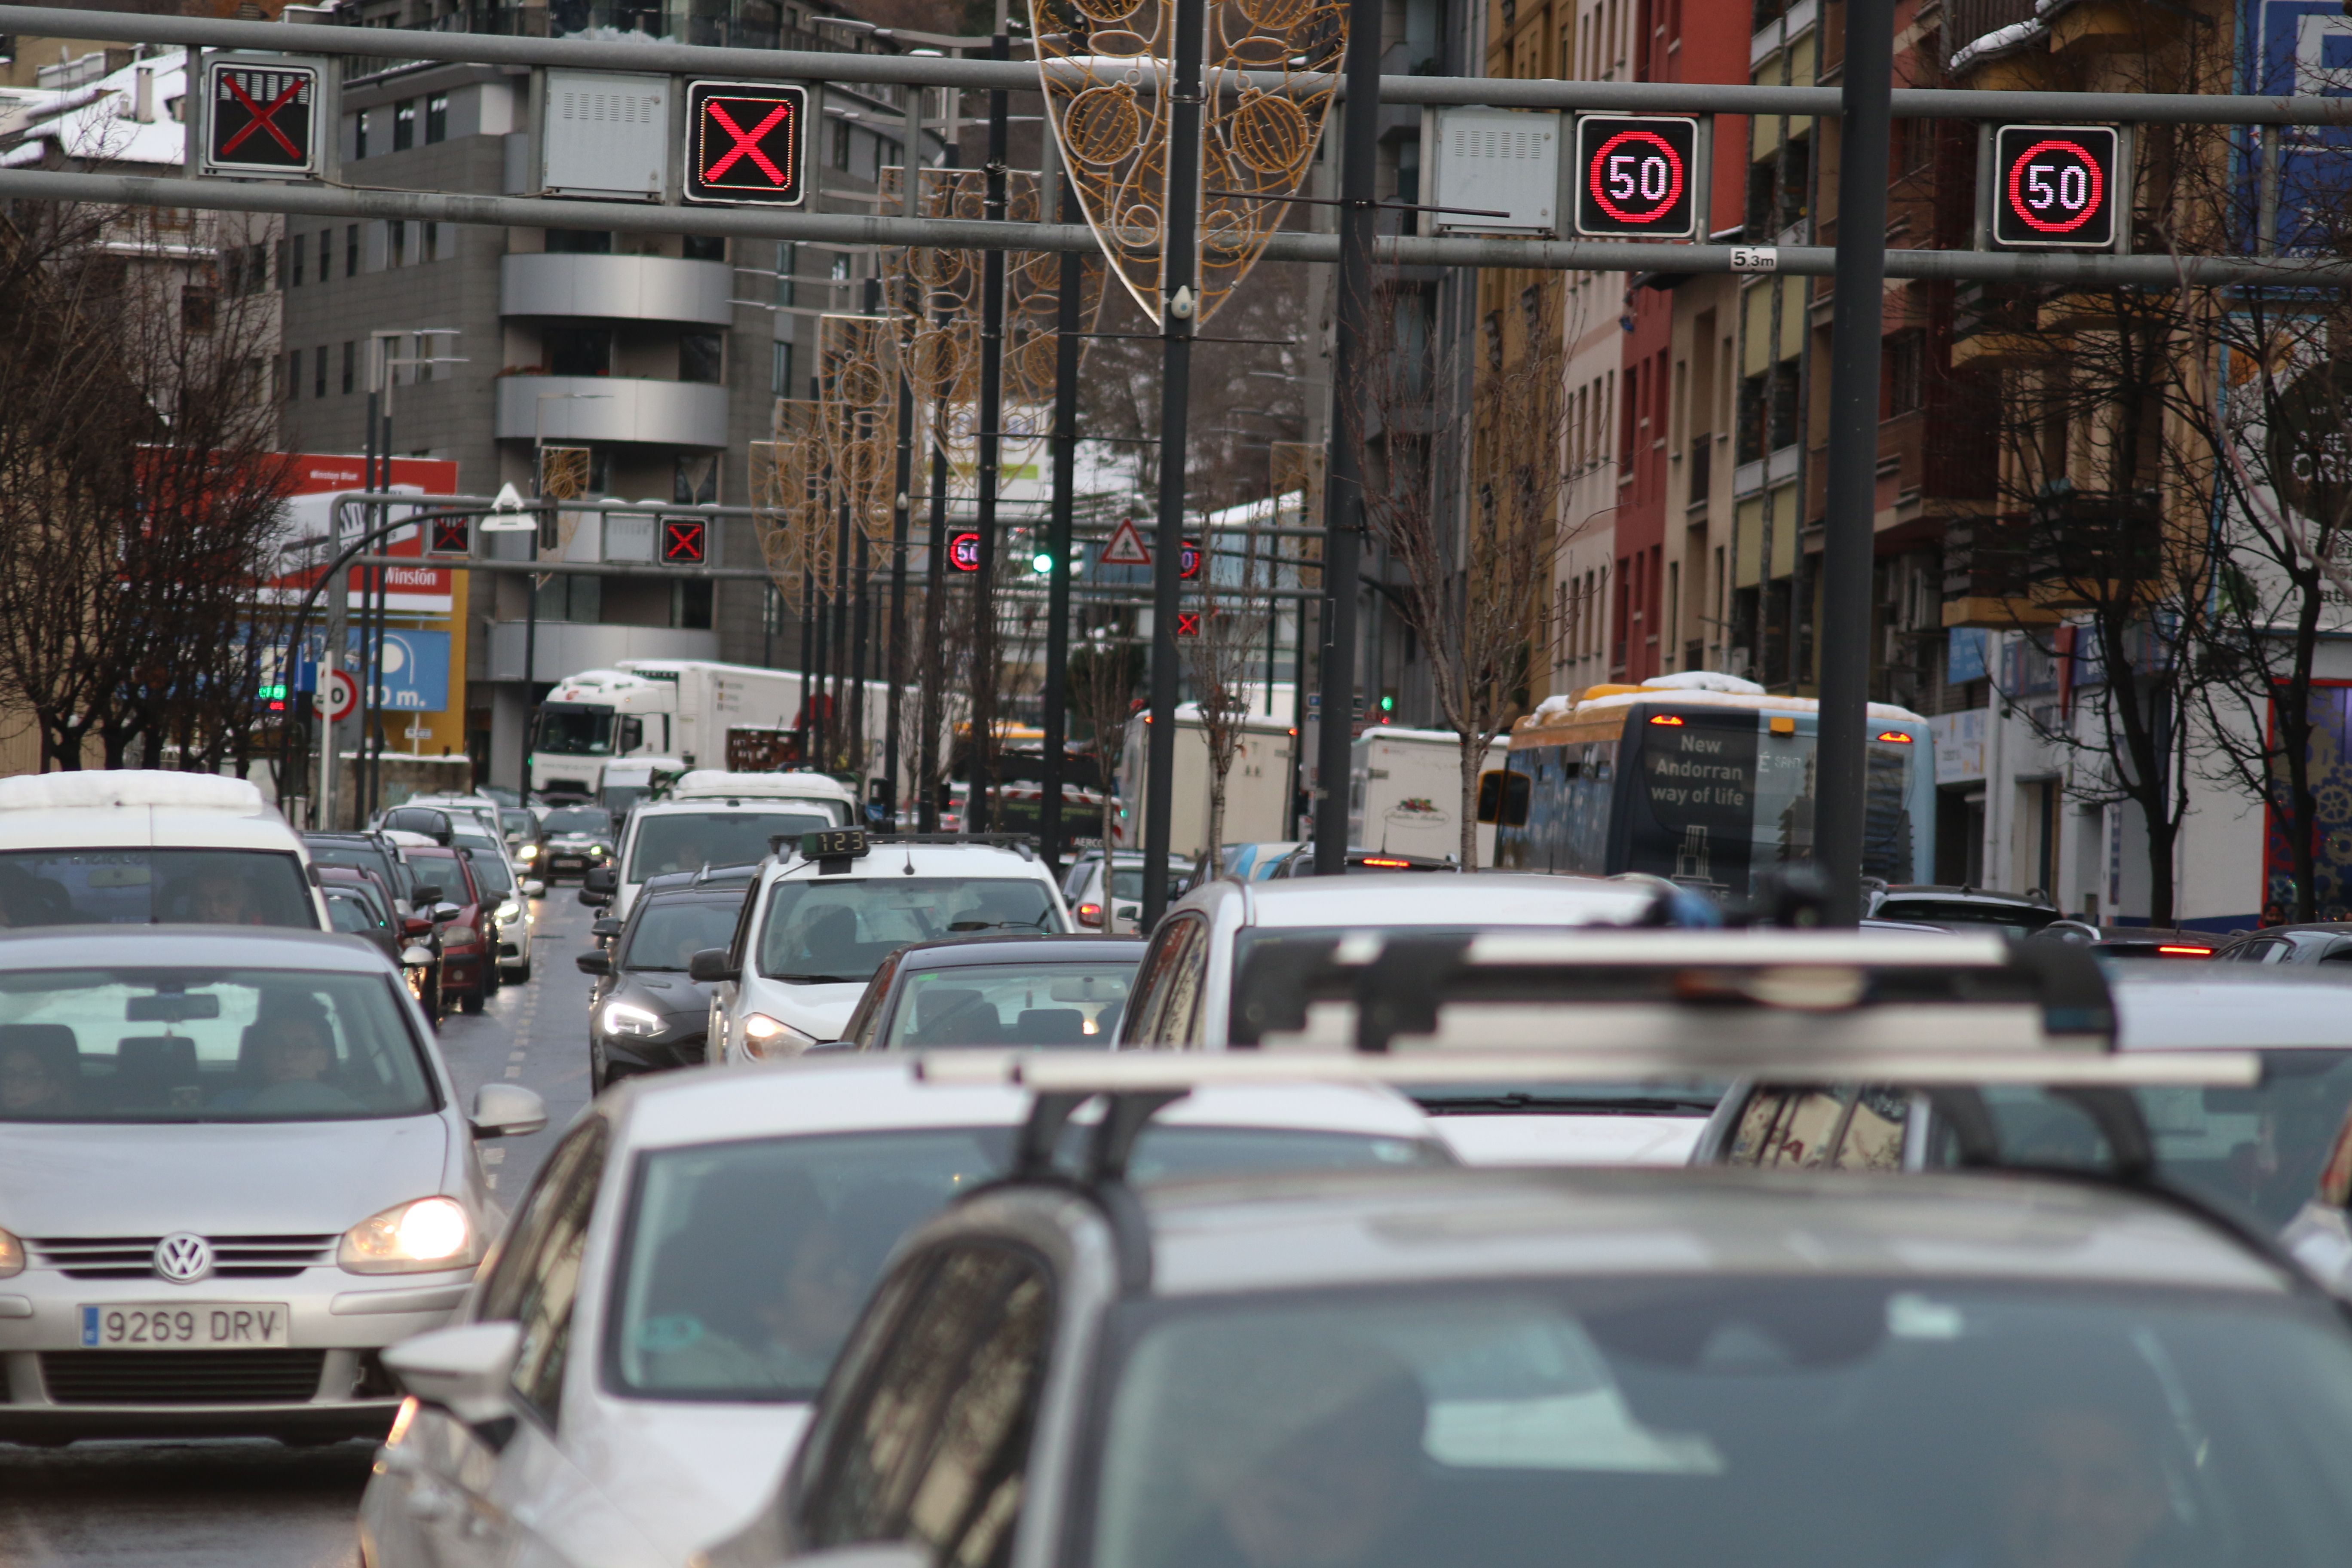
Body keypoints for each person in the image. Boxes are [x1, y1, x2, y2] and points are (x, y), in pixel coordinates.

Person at [214, 1002, 361, 1114]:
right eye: (277, 1044)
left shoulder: (353, 1109)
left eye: (303, 1046)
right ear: (262, 1054)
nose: (287, 1055)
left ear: (323, 1059)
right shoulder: (231, 1105)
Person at [0, 1043, 72, 1115]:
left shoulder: (70, 1124)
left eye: (31, 1076)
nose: (16, 1085)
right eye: (8, 1074)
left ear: (53, 1086)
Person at [188, 870, 266, 926]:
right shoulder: (179, 937)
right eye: (204, 901)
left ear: (241, 902)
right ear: (195, 905)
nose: (214, 911)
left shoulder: (264, 941)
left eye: (224, 900)